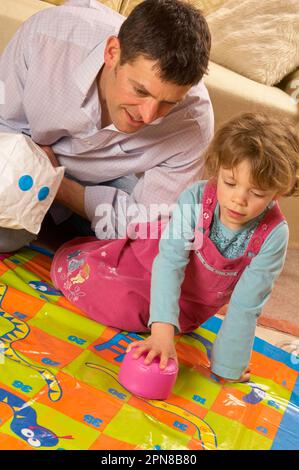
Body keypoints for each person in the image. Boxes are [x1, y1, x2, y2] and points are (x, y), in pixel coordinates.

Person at [51, 113, 299, 382]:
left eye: (258, 193)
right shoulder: (196, 197)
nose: (238, 200)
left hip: (191, 303)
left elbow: (247, 304)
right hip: (151, 263)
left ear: (277, 193)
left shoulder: (274, 235)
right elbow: (169, 262)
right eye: (229, 183)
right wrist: (161, 332)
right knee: (114, 299)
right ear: (218, 171)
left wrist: (228, 367)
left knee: (151, 319)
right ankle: (94, 247)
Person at [0, 0, 213, 252]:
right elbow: (5, 124)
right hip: (28, 154)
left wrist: (58, 186)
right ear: (112, 52)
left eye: (168, 103)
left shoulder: (193, 123)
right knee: (5, 237)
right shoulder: (46, 38)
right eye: (139, 90)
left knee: (150, 251)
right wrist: (33, 174)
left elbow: (153, 222)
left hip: (103, 181)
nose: (148, 116)